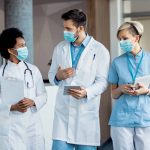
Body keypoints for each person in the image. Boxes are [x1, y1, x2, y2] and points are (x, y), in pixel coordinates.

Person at [48, 9, 110, 150]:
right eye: (64, 28)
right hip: (63, 116)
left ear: (80, 28)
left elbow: (102, 81)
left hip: (85, 115)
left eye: (68, 28)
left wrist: (87, 92)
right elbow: (52, 75)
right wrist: (59, 76)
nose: (65, 32)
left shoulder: (100, 50)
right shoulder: (60, 48)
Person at [0, 28, 47, 150]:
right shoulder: (1, 73)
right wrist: (13, 107)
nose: (25, 48)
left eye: (24, 45)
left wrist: (33, 102)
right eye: (20, 46)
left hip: (33, 125)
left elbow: (43, 95)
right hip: (12, 127)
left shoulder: (33, 70)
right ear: (10, 50)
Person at [108, 21, 150, 150]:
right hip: (121, 119)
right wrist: (121, 88)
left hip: (145, 118)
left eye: (125, 38)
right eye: (120, 39)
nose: (122, 42)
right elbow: (114, 94)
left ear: (136, 38)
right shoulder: (117, 62)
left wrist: (146, 91)